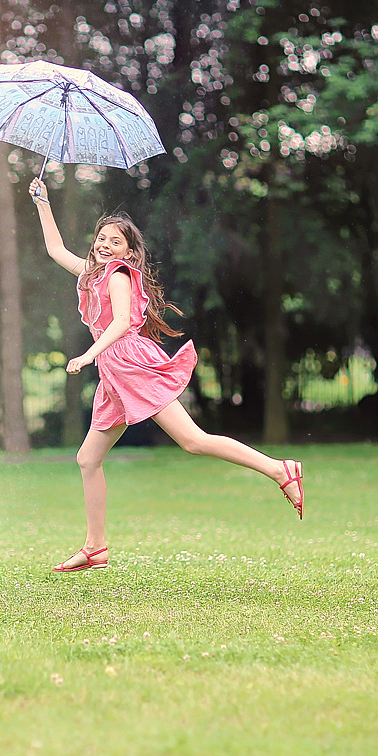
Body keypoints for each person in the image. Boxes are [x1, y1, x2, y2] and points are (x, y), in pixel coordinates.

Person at [28, 176, 304, 573]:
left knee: (193, 441)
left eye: (115, 241)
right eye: (102, 238)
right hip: (114, 374)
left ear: (128, 251)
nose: (105, 245)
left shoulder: (119, 275)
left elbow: (122, 321)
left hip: (130, 365)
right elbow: (55, 249)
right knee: (88, 458)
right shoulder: (91, 274)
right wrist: (43, 203)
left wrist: (89, 354)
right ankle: (96, 548)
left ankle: (280, 469)